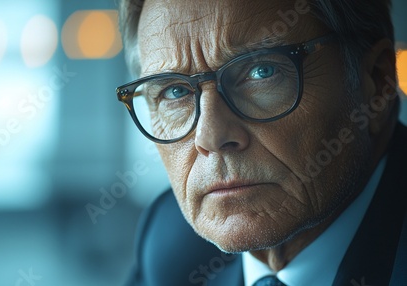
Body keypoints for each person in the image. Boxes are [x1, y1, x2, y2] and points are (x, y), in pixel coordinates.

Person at [115, 0, 407, 285]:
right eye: (175, 92)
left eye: (262, 72)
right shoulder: (172, 246)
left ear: (376, 81)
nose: (211, 137)